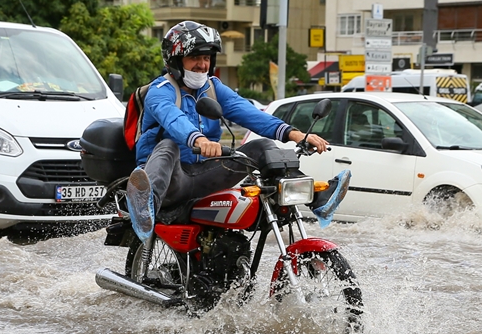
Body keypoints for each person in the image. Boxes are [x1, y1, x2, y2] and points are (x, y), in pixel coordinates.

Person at [125, 21, 330, 241]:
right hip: (171, 180)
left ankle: (317, 199)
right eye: (195, 57)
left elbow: (248, 113)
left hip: (203, 174)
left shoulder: (212, 87)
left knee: (262, 148)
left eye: (206, 58)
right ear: (175, 60)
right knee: (168, 146)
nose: (202, 65)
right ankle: (145, 206)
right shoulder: (159, 91)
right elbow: (173, 119)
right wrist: (199, 140)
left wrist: (295, 135)